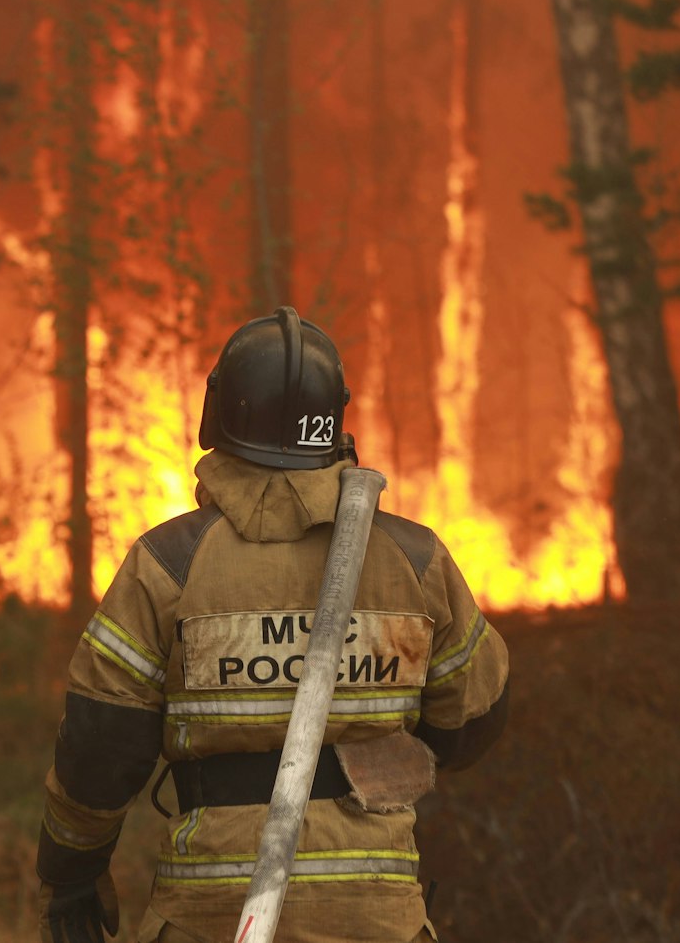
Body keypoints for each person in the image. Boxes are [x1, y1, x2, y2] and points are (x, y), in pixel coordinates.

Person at [34, 307, 510, 943]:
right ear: (333, 423)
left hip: (210, 917)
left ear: (221, 415)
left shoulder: (168, 567)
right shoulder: (415, 562)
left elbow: (99, 748)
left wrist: (71, 871)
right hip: (377, 919)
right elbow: (470, 727)